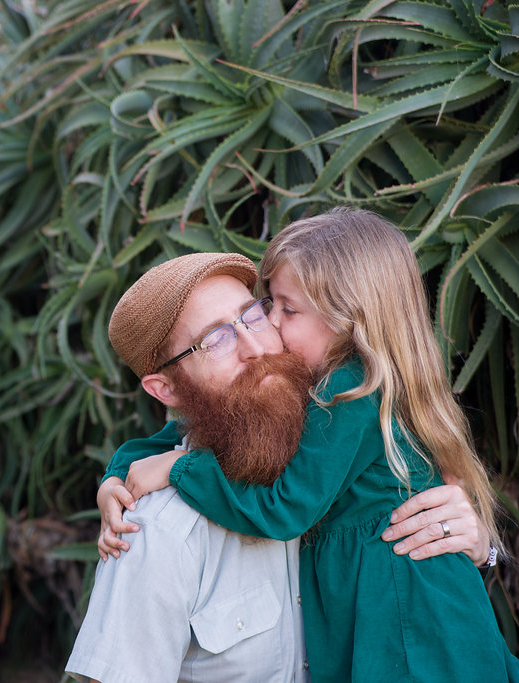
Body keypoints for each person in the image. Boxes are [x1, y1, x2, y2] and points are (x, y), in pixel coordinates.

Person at [98, 208, 516, 682]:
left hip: (409, 627)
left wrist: (179, 469)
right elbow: (181, 436)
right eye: (217, 339)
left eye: (277, 311)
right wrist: (119, 474)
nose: (268, 330)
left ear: (348, 321)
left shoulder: (349, 392)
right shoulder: (297, 400)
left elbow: (285, 509)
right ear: (164, 389)